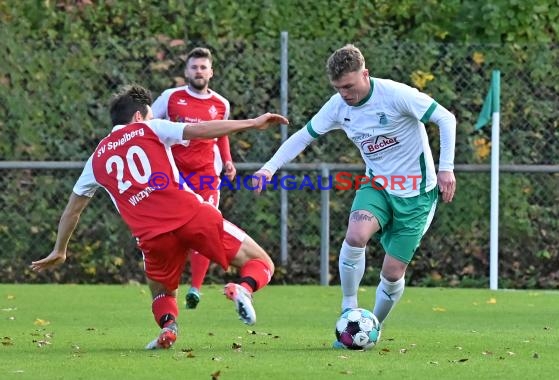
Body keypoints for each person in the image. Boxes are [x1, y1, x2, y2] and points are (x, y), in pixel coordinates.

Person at [30, 84, 288, 350]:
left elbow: (73, 209)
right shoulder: (149, 128)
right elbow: (199, 130)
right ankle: (243, 289)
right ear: (139, 117)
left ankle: (169, 327)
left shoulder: (96, 159)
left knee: (162, 291)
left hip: (152, 238)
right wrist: (252, 123)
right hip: (190, 216)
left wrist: (60, 249)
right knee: (261, 262)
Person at [252, 44, 456, 348]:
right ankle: (349, 309)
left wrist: (446, 169)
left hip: (417, 195)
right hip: (378, 187)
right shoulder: (338, 106)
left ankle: (371, 327)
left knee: (392, 271)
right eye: (338, 88)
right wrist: (268, 169)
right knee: (356, 235)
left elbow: (446, 118)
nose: (344, 93)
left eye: (349, 86)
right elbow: (303, 137)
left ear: (365, 74)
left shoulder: (397, 94)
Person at [151, 47, 236, 310]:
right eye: (194, 67)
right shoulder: (170, 97)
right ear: (186, 71)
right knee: (173, 233)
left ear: (211, 71)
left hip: (206, 176)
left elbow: (221, 134)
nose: (198, 72)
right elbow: (149, 127)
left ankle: (196, 288)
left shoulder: (221, 104)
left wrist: (229, 160)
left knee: (206, 228)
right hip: (174, 177)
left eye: (203, 67)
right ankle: (170, 286)